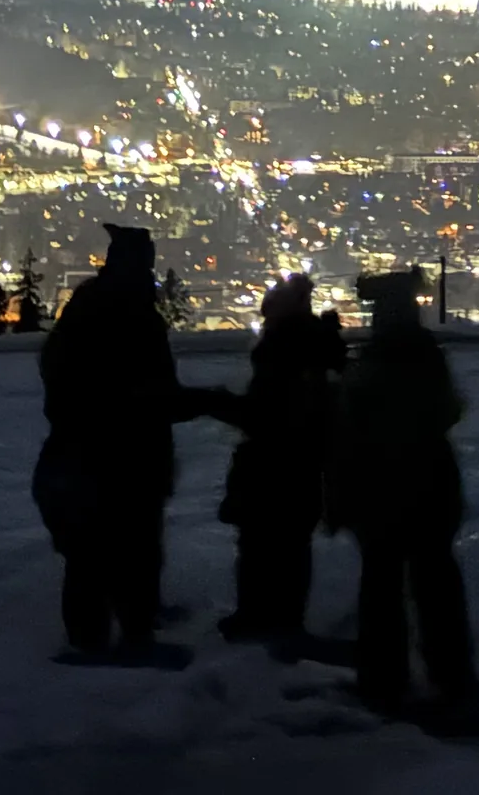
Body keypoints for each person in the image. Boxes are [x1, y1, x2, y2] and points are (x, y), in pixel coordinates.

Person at [33, 224, 223, 655]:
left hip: (83, 452)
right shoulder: (137, 317)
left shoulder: (84, 307)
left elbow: (59, 374)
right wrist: (207, 403)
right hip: (127, 458)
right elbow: (158, 394)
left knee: (91, 552)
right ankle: (125, 635)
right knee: (130, 550)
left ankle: (96, 635)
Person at [330, 268, 479, 727]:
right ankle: (452, 677)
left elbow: (347, 432)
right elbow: (448, 411)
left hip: (380, 491)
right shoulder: (427, 359)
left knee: (381, 589)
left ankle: (383, 681)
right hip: (431, 487)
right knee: (436, 585)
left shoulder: (369, 367)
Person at [214, 272, 345, 646]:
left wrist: (222, 405)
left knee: (262, 542)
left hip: (275, 459)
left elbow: (268, 412)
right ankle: (281, 618)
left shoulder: (283, 352)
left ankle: (261, 617)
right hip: (299, 459)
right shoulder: (310, 348)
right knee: (287, 544)